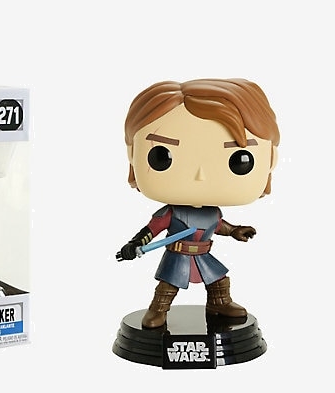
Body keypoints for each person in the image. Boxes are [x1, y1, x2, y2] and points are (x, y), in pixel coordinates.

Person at [117, 79, 280, 328]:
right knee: (168, 286)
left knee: (219, 281)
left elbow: (219, 225)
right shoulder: (170, 212)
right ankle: (158, 310)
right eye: (161, 156)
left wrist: (235, 230)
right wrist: (135, 244)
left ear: (270, 159)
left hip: (203, 253)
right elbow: (152, 229)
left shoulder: (212, 213)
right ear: (132, 154)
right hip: (178, 255)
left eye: (239, 158)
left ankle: (219, 304)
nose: (200, 176)